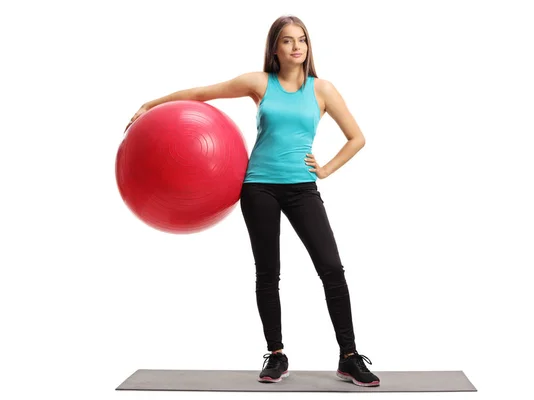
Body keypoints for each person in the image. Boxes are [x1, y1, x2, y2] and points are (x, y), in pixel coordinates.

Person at [125, 15, 380, 387]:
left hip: (301, 188)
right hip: (258, 187)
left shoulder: (322, 89)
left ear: (309, 47)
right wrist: (152, 103)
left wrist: (324, 170)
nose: (297, 47)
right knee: (267, 273)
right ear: (275, 48)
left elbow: (356, 137)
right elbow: (202, 94)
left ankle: (349, 356)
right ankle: (276, 354)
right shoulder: (260, 83)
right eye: (288, 41)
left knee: (331, 269)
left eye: (303, 40)